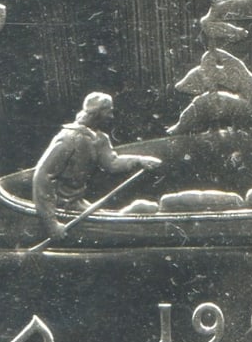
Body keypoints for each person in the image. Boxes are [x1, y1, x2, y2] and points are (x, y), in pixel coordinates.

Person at [32, 92, 159, 237]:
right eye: (109, 112)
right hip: (60, 206)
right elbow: (43, 175)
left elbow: (112, 163)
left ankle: (128, 213)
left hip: (76, 203)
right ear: (97, 112)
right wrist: (51, 223)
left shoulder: (99, 138)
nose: (111, 116)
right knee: (114, 224)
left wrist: (140, 160)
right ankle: (129, 214)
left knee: (109, 218)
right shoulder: (69, 138)